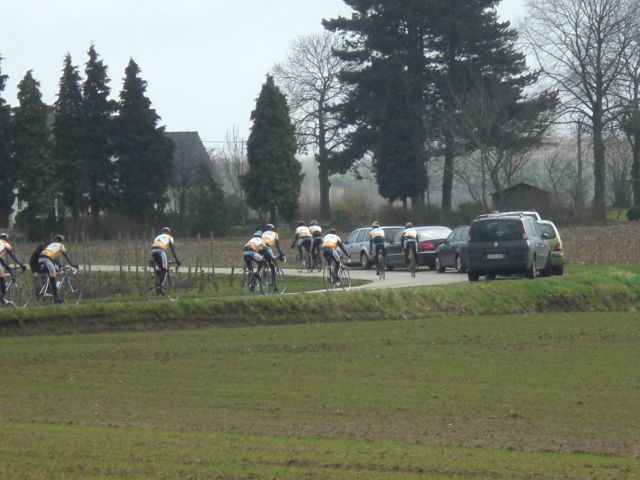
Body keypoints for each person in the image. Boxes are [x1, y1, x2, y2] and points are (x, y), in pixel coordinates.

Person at [38, 234, 79, 303]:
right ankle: (56, 298)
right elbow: (66, 255)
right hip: (47, 260)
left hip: (40, 259)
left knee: (54, 272)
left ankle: (49, 290)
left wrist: (60, 266)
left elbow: (54, 257)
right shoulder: (60, 245)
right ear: (61, 241)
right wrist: (72, 264)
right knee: (53, 278)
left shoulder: (51, 245)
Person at [151, 227, 181, 292]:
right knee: (165, 268)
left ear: (162, 232)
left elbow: (155, 245)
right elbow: (173, 250)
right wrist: (177, 260)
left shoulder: (157, 236)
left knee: (160, 268)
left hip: (153, 251)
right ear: (169, 232)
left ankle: (157, 285)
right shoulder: (169, 237)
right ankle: (160, 286)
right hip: (160, 251)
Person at [0, 233, 27, 305]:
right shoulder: (5, 244)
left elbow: (1, 259)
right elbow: (13, 256)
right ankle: (2, 299)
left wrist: (7, 267)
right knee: (2, 279)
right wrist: (22, 265)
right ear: (6, 239)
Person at [261, 224, 286, 291]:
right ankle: (274, 285)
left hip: (258, 247)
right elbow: (278, 245)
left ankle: (257, 277)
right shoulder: (275, 234)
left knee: (262, 261)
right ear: (273, 229)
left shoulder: (263, 233)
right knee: (272, 265)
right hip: (267, 248)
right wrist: (281, 254)